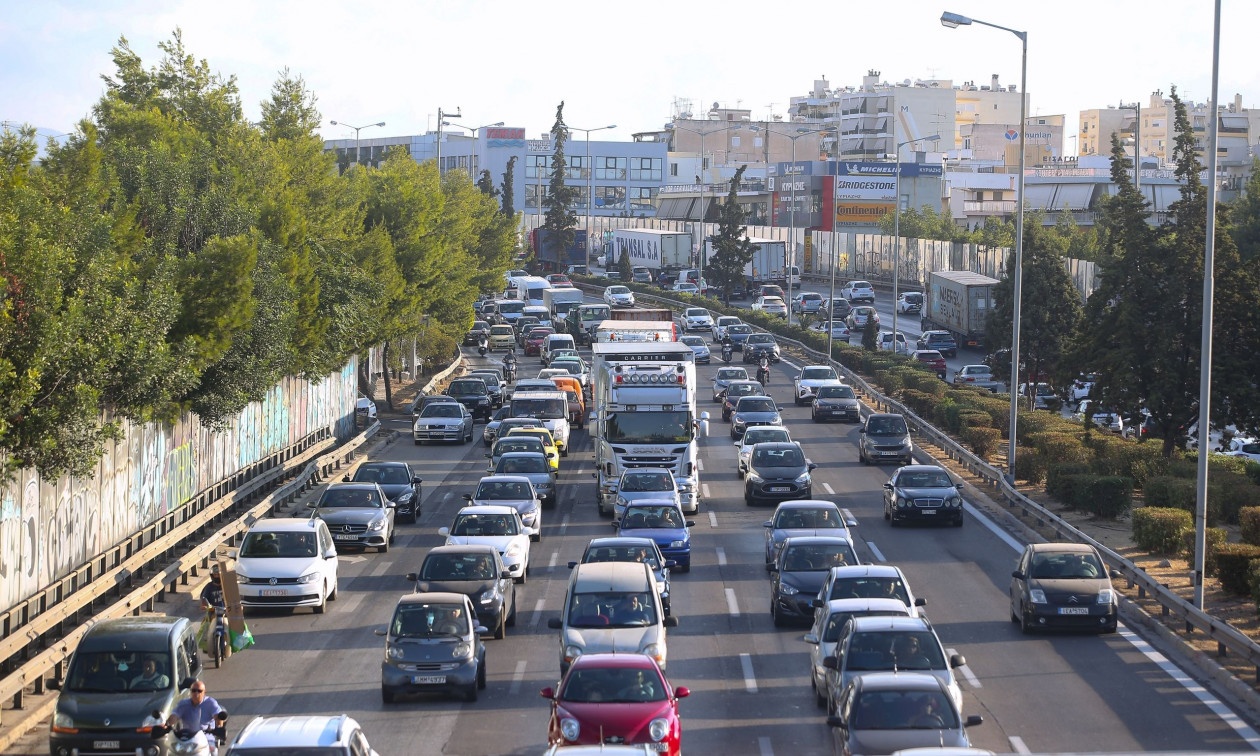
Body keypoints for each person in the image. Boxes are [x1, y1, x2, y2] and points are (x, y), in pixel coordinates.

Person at [168, 682, 228, 755]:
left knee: (213, 751)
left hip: (206, 737)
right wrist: (167, 725)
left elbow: (218, 717)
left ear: (204, 692)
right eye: (193, 690)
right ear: (190, 692)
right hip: (188, 739)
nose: (196, 693)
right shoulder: (183, 704)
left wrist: (218, 727)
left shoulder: (210, 703)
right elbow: (174, 716)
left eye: (199, 691)